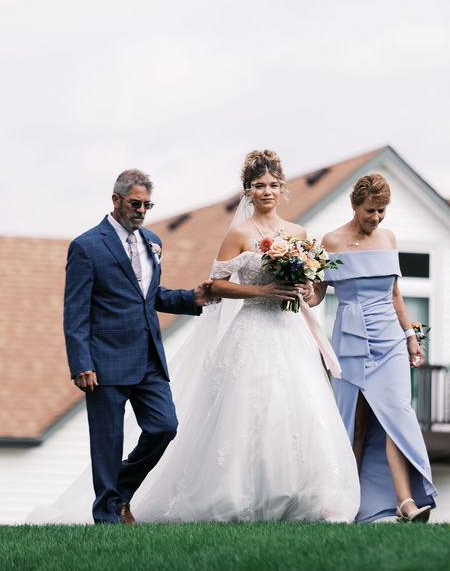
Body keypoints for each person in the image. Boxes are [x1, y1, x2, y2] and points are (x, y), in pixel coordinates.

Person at [125, 150, 359, 522]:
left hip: (289, 330)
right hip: (251, 327)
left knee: (296, 409)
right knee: (246, 408)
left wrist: (306, 290)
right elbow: (217, 284)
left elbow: (315, 292)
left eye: (272, 185)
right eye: (258, 186)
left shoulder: (298, 234)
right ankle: (235, 497)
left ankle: (302, 498)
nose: (266, 191)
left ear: (283, 189)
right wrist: (263, 292)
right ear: (248, 191)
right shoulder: (238, 233)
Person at [63, 168, 213, 524]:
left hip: (148, 359)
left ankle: (122, 491)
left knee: (165, 426)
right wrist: (80, 362)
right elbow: (75, 311)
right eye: (135, 203)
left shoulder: (152, 240)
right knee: (107, 444)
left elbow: (150, 296)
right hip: (103, 363)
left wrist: (192, 298)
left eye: (147, 204)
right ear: (116, 201)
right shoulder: (86, 246)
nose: (141, 210)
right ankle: (107, 517)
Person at [307, 173, 437, 523]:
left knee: (396, 414)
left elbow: (395, 294)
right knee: (353, 420)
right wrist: (306, 291)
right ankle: (343, 502)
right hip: (350, 337)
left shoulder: (389, 238)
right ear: (354, 205)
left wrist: (410, 336)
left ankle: (406, 501)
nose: (376, 218)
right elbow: (320, 293)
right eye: (370, 211)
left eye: (381, 211)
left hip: (390, 339)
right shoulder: (331, 240)